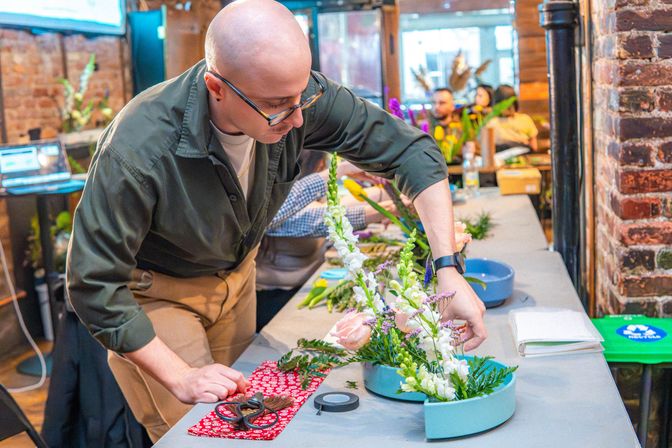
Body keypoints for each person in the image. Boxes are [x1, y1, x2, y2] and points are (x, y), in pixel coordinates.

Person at [66, 0, 486, 441]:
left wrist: (447, 269)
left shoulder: (293, 100)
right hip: (160, 294)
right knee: (204, 432)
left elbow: (409, 151)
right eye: (278, 106)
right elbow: (92, 283)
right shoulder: (138, 147)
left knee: (262, 417)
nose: (300, 119)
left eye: (302, 97)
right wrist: (180, 376)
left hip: (237, 279)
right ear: (217, 87)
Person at [255, 156, 396, 331]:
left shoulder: (309, 194)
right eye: (322, 164)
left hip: (300, 289)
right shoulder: (276, 205)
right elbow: (320, 216)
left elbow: (344, 202)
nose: (325, 167)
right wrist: (389, 208)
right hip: (272, 300)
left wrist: (394, 190)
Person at [488, 84, 539, 152]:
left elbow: (533, 144)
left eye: (511, 104)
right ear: (497, 104)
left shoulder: (524, 119)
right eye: (504, 105)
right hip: (500, 156)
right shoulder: (491, 122)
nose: (508, 108)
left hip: (523, 155)